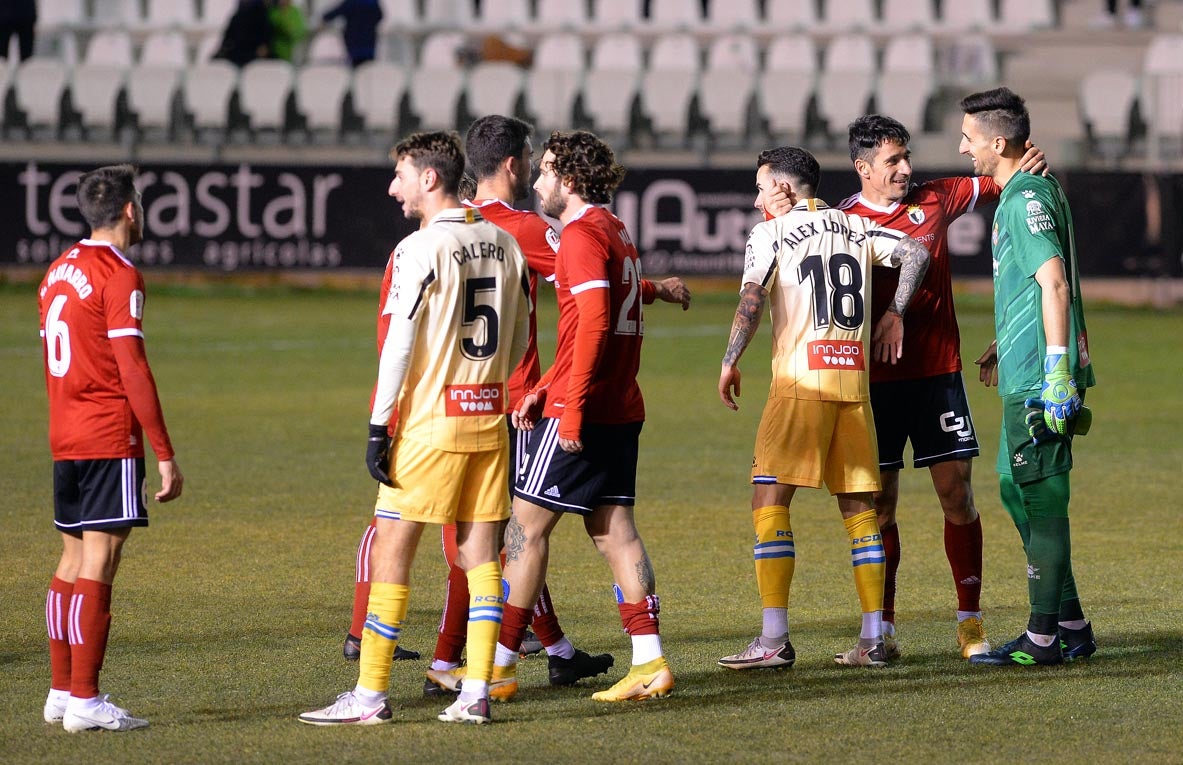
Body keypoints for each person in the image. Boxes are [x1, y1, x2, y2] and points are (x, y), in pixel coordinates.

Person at [757, 116, 1045, 661]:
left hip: (938, 374)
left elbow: (1001, 172)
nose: (906, 169)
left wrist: (1027, 160)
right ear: (863, 168)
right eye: (893, 161)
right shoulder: (842, 222)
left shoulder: (937, 197)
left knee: (956, 494)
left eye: (906, 157)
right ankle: (881, 631)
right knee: (880, 508)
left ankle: (970, 624)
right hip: (875, 384)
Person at [299, 130, 530, 726]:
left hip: (429, 426)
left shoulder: (417, 249)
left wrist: (380, 426)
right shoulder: (507, 243)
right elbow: (524, 338)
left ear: (431, 178)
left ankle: (370, 695)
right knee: (482, 559)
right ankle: (476, 692)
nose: (393, 186)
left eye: (401, 173)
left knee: (393, 552)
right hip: (488, 422)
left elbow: (398, 342)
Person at [716, 146, 930, 671]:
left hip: (799, 384)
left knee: (769, 499)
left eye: (762, 185)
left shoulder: (770, 232)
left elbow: (750, 299)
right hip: (853, 389)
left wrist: (729, 360)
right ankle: (873, 638)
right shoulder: (855, 227)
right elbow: (916, 253)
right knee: (861, 513)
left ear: (785, 189)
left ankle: (773, 640)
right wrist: (894, 313)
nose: (757, 196)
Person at [481, 130, 676, 703]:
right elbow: (593, 324)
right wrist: (543, 385)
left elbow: (592, 323)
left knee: (524, 530)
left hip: (583, 413)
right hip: (617, 408)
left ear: (568, 180)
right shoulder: (614, 231)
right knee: (614, 532)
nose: (535, 182)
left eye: (544, 171)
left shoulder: (580, 237)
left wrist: (569, 409)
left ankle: (498, 664)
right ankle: (649, 661)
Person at [39, 164, 184, 732]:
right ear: (130, 210)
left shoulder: (55, 271)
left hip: (64, 433)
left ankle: (59, 691)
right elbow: (132, 366)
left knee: (72, 557)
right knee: (100, 560)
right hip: (105, 434)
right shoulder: (119, 274)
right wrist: (164, 449)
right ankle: (85, 700)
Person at [957, 87, 1097, 667]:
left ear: (997, 141)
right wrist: (1001, 340)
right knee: (1016, 488)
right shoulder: (1028, 190)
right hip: (1027, 364)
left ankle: (1043, 638)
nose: (962, 148)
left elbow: (1055, 283)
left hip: (1042, 379)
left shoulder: (1023, 199)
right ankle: (1071, 623)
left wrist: (1057, 371)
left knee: (1042, 499)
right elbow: (1033, 287)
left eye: (968, 137)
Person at [321, 0, 383, 68]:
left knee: (356, 68)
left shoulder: (351, 2)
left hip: (354, 42)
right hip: (369, 42)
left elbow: (333, 13)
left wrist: (323, 18)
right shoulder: (373, 2)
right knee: (368, 68)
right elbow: (380, 16)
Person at [214, 0, 273, 66]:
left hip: (241, 57)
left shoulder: (242, 14)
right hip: (248, 57)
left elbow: (227, 39)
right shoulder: (261, 14)